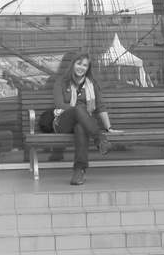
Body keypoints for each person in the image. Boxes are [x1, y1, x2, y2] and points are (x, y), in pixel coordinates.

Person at [51, 52, 122, 185]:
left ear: (88, 68)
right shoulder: (61, 82)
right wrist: (80, 110)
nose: (81, 67)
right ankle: (100, 139)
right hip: (62, 122)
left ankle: (79, 171)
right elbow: (60, 104)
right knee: (79, 109)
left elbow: (100, 107)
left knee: (80, 127)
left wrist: (109, 127)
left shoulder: (92, 84)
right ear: (73, 64)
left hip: (84, 124)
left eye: (85, 65)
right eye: (79, 64)